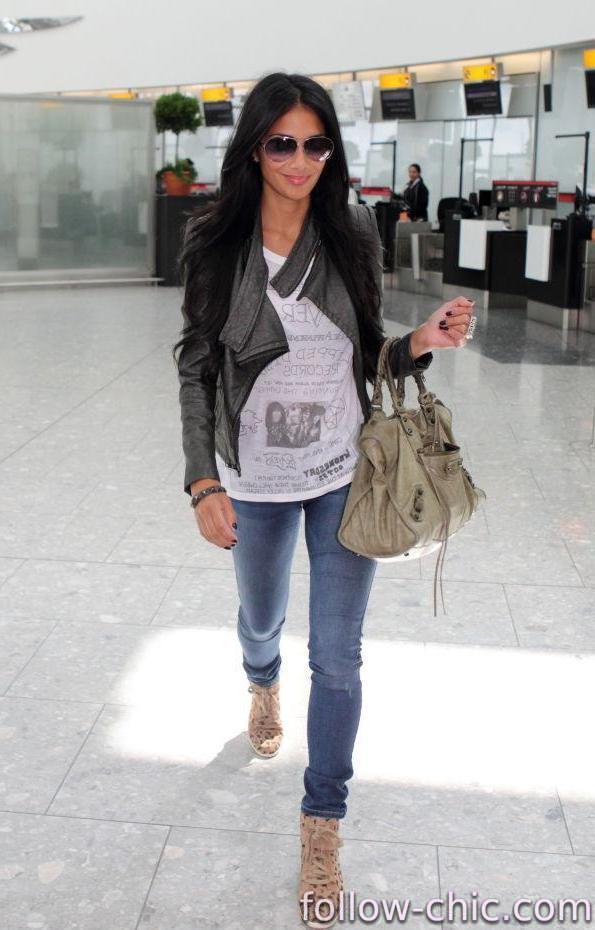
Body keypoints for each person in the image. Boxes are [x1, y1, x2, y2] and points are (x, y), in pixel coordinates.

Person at [173, 71, 473, 929]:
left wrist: (418, 342)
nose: (299, 160)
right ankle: (259, 681)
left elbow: (367, 354)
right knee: (261, 618)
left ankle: (322, 823)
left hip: (345, 473)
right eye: (282, 143)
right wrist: (201, 480)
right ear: (254, 150)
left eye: (314, 144)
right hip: (254, 480)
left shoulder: (350, 231)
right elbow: (196, 365)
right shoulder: (216, 240)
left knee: (338, 658)